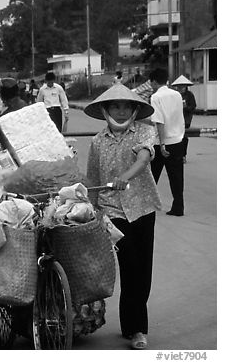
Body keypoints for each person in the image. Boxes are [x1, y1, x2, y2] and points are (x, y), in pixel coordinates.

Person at [84, 83, 161, 350]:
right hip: (112, 212)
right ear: (105, 110)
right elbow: (92, 177)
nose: (120, 111)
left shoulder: (144, 132)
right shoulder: (97, 141)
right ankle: (138, 329)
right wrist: (91, 212)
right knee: (129, 266)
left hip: (142, 208)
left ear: (135, 109)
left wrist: (123, 178)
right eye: (115, 106)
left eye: (126, 106)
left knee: (142, 271)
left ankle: (133, 326)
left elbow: (143, 160)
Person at [148, 68, 186, 216]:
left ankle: (149, 205)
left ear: (155, 81)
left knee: (152, 176)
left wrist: (162, 144)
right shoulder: (177, 94)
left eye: (151, 82)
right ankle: (178, 206)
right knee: (176, 176)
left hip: (161, 143)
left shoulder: (155, 97)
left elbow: (159, 122)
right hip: (178, 139)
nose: (150, 85)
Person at [171, 75, 196, 163]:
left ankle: (183, 155)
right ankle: (177, 155)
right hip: (176, 119)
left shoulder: (189, 95)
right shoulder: (174, 95)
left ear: (186, 86)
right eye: (179, 86)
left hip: (186, 119)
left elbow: (193, 107)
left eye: (182, 86)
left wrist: (186, 107)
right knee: (176, 137)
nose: (181, 88)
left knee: (184, 137)